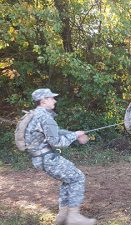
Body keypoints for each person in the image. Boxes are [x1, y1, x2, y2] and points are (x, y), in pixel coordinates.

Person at [24, 88, 96, 225]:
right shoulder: (45, 117)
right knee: (77, 177)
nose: (54, 100)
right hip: (47, 158)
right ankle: (74, 217)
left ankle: (62, 216)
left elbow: (55, 132)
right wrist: (75, 136)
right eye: (51, 98)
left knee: (67, 179)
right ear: (43, 101)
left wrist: (74, 133)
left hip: (40, 158)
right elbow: (56, 142)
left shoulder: (34, 115)